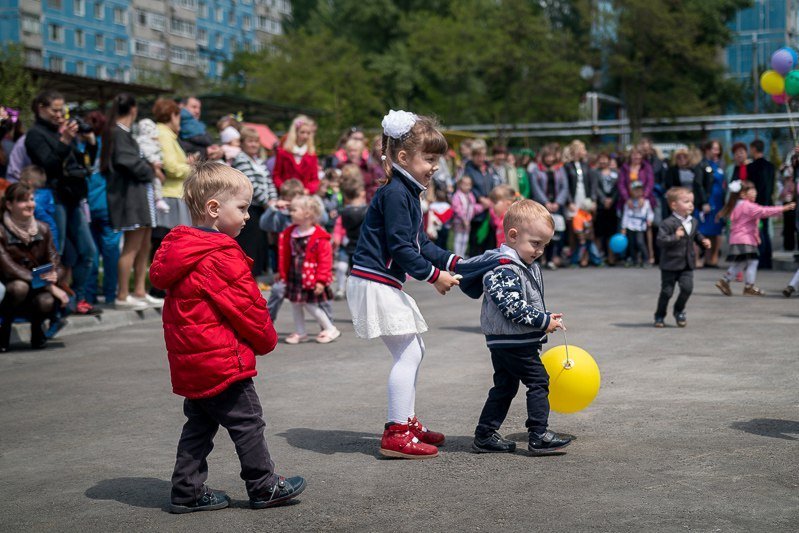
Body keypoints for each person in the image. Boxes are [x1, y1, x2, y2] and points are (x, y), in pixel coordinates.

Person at [149, 161, 305, 514]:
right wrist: (266, 338)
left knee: (200, 425)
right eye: (243, 207)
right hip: (221, 359)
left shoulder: (180, 249)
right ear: (214, 209)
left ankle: (185, 490)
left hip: (193, 361)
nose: (248, 216)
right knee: (248, 421)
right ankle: (263, 485)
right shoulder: (219, 254)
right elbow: (246, 306)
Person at [347, 110, 461, 459]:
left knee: (413, 351)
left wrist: (454, 262)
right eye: (429, 159)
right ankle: (397, 432)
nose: (434, 167)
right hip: (374, 280)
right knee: (409, 352)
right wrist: (434, 276)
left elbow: (421, 244)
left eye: (435, 160)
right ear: (402, 157)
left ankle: (406, 422)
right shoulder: (397, 193)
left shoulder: (407, 191)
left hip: (379, 281)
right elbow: (401, 247)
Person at [455, 200, 570, 455]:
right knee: (539, 382)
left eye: (545, 245)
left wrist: (546, 316)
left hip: (509, 340)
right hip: (513, 341)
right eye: (536, 243)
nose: (540, 250)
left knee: (505, 387)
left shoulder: (521, 264)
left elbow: (523, 303)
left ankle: (484, 435)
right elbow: (513, 308)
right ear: (513, 235)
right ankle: (538, 434)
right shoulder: (503, 268)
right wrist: (543, 322)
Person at [25, 90, 100, 315]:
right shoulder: (35, 135)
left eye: (62, 110)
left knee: (87, 252)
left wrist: (90, 144)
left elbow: (82, 165)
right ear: (41, 108)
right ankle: (50, 303)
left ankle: (77, 296)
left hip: (72, 199)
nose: (60, 115)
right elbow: (48, 166)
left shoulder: (62, 132)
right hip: (52, 200)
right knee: (54, 252)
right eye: (55, 110)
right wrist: (65, 140)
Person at [102, 93, 162, 310]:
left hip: (139, 195)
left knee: (145, 243)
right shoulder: (118, 132)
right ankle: (122, 293)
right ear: (134, 109)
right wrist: (150, 170)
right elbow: (127, 161)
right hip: (129, 197)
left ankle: (139, 290)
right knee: (132, 246)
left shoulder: (124, 133)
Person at [0, 183, 70, 351]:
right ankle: (4, 331)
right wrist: (48, 285)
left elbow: (56, 262)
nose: (30, 204)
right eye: (23, 201)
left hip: (38, 287)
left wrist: (55, 275)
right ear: (9, 205)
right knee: (19, 287)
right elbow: (9, 268)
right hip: (10, 287)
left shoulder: (43, 228)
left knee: (45, 300)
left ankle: (37, 330)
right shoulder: (1, 231)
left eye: (31, 199)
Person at [714, 180, 794, 297]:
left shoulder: (737, 204)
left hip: (739, 239)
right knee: (752, 262)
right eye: (752, 191)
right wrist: (783, 208)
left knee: (742, 262)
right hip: (745, 239)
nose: (755, 193)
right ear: (742, 194)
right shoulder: (747, 206)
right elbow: (764, 211)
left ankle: (727, 281)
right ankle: (746, 286)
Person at [278, 195, 339, 345]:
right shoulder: (290, 232)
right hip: (295, 274)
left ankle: (330, 328)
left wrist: (321, 280)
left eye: (294, 210)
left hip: (310, 277)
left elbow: (325, 261)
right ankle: (300, 331)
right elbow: (285, 255)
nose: (291, 212)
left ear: (307, 213)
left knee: (309, 304)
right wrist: (281, 273)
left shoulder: (319, 236)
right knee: (295, 304)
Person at [654, 187, 711, 328]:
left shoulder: (693, 221)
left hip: (687, 263)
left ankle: (679, 310)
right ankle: (660, 315)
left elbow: (695, 235)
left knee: (687, 288)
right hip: (670, 264)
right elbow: (660, 241)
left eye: (692, 202)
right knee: (667, 292)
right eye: (686, 202)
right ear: (674, 205)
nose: (691, 205)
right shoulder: (667, 223)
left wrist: (703, 241)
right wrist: (675, 236)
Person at [83, 110, 122, 306]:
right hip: (108, 208)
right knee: (111, 253)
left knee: (91, 254)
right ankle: (109, 295)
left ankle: (88, 296)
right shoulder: (109, 147)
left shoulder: (81, 147)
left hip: (87, 209)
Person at [232, 126, 277, 277]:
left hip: (262, 208)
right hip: (250, 207)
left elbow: (269, 182)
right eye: (250, 141)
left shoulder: (259, 161)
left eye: (256, 142)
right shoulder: (241, 159)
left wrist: (273, 200)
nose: (254, 145)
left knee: (260, 245)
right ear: (243, 143)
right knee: (249, 245)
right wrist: (267, 202)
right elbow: (250, 184)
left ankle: (256, 278)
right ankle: (246, 278)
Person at [530, 144, 569, 269]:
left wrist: (558, 202)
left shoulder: (560, 169)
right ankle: (541, 259)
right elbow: (535, 187)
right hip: (542, 206)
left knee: (555, 233)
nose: (549, 159)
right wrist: (545, 202)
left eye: (551, 156)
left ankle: (552, 258)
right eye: (547, 156)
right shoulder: (536, 169)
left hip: (557, 206)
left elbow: (565, 187)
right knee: (540, 233)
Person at [462, 139, 496, 255]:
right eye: (477, 155)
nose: (480, 158)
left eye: (482, 155)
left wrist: (492, 199)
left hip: (490, 210)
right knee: (476, 242)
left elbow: (495, 183)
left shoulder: (489, 168)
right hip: (476, 211)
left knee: (489, 242)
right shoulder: (468, 168)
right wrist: (481, 198)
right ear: (472, 155)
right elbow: (468, 187)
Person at [746, 140, 776, 269]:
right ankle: (767, 259)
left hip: (757, 203)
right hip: (768, 202)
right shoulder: (770, 166)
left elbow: (752, 186)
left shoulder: (752, 167)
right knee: (765, 231)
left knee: (758, 231)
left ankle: (760, 259)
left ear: (753, 149)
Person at [272, 115, 320, 194]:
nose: (305, 136)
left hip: (304, 196)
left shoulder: (312, 155)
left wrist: (307, 190)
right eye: (302, 132)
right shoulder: (282, 153)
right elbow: (276, 175)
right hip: (285, 194)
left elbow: (315, 180)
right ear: (295, 132)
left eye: (308, 133)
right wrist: (283, 188)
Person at [696, 140, 726, 268]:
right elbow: (699, 185)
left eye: (718, 149)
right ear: (707, 150)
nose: (716, 152)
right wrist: (703, 202)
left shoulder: (720, 165)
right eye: (714, 149)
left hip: (718, 202)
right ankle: (697, 258)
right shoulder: (702, 165)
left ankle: (712, 258)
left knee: (715, 230)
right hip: (708, 201)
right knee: (703, 230)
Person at [591, 152, 619, 264]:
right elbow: (595, 187)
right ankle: (598, 258)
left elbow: (618, 188)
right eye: (600, 159)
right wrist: (603, 200)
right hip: (600, 206)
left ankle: (611, 257)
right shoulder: (595, 172)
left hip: (613, 206)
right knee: (599, 233)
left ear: (609, 160)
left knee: (611, 233)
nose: (603, 162)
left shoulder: (616, 172)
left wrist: (612, 199)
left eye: (605, 159)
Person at [621, 181, 655, 267]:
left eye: (640, 190)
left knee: (640, 242)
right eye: (635, 190)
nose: (638, 192)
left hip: (640, 225)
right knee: (631, 243)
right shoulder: (628, 202)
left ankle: (646, 259)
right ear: (631, 191)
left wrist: (649, 220)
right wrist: (623, 227)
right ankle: (634, 260)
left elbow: (650, 213)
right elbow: (625, 215)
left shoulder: (646, 202)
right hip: (630, 225)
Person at [663, 148, 704, 215]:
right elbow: (669, 186)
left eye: (685, 157)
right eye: (679, 157)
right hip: (679, 200)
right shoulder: (672, 171)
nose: (682, 159)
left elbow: (698, 184)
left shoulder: (694, 169)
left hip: (693, 199)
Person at [451, 175, 484, 258]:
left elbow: (473, 207)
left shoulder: (470, 195)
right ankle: (456, 256)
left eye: (469, 184)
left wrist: (482, 207)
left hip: (468, 222)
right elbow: (456, 208)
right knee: (458, 239)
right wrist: (463, 218)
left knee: (465, 240)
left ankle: (461, 256)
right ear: (460, 184)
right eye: (465, 184)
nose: (468, 187)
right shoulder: (457, 195)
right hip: (459, 222)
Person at [571, 198, 602, 267]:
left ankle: (597, 262)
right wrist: (582, 239)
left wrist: (592, 236)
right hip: (582, 239)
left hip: (589, 238)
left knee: (593, 250)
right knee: (579, 251)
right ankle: (573, 262)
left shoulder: (588, 215)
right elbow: (578, 229)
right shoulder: (578, 216)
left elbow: (591, 227)